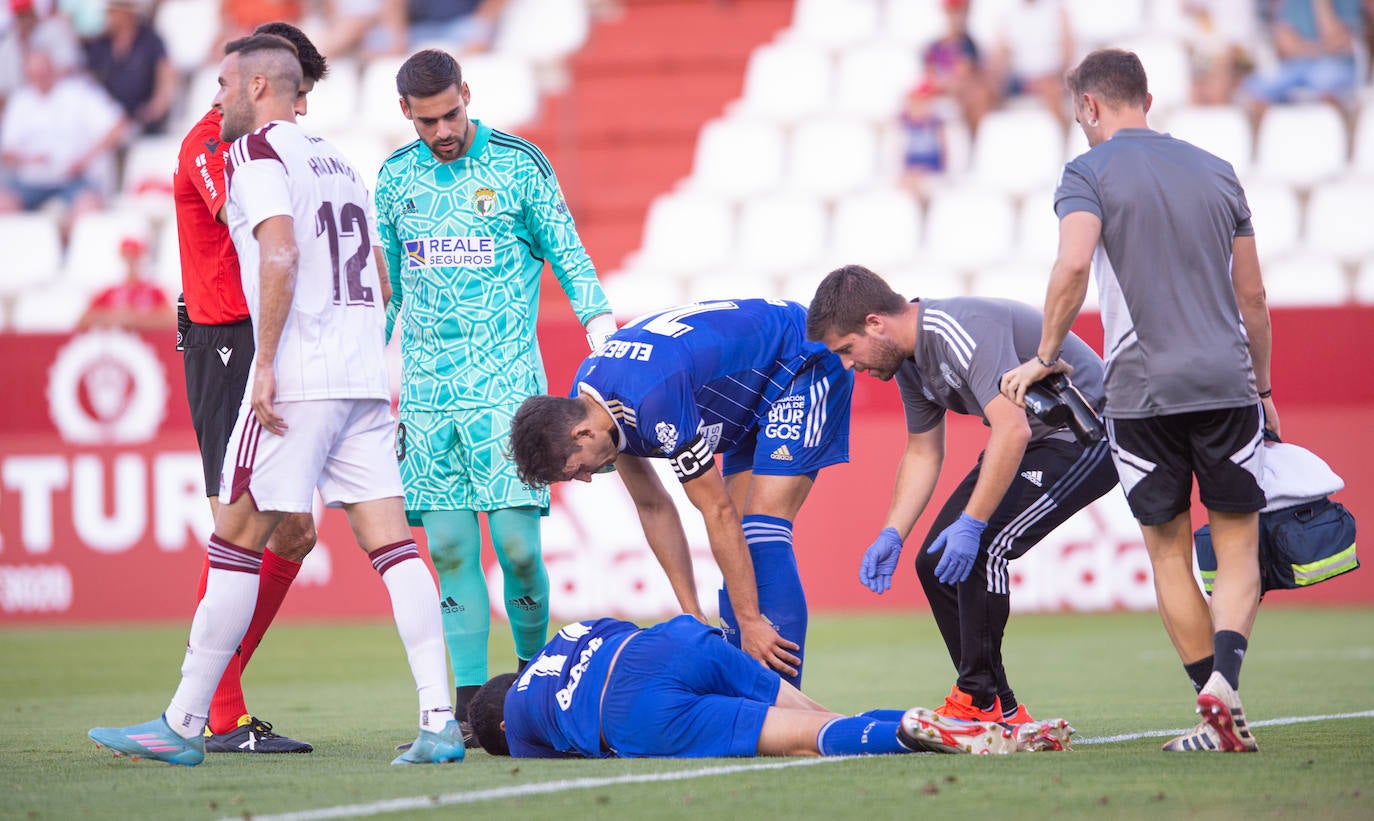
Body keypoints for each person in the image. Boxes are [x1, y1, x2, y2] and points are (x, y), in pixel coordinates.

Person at [89, 33, 461, 767]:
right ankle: (440, 720)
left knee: (233, 539)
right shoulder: (341, 160)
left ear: (262, 87)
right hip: (360, 376)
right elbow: (380, 278)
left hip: (296, 381)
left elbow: (282, 250)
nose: (217, 96)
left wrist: (265, 364)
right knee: (393, 547)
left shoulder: (256, 156)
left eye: (226, 83)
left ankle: (186, 721)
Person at [1000, 48, 1277, 753]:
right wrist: (1265, 390)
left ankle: (1211, 705)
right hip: (1226, 382)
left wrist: (1045, 354)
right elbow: (1253, 297)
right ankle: (1227, 686)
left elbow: (1071, 263)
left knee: (1168, 554)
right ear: (1146, 98)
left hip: (1141, 389)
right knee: (1239, 547)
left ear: (1090, 106)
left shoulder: (1087, 172)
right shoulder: (1218, 170)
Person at [376, 47, 616, 746]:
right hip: (426, 393)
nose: (443, 129)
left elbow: (567, 250)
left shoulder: (518, 164)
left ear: (467, 95)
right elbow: (388, 288)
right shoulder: (394, 180)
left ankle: (533, 684)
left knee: (514, 547)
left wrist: (604, 333)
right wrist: (364, 364)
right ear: (407, 115)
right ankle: (471, 707)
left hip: (506, 390)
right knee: (449, 547)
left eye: (452, 113)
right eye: (428, 120)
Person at [805, 265, 1118, 726]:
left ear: (875, 323)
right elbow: (923, 452)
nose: (851, 366)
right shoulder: (908, 362)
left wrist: (972, 524)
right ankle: (1000, 708)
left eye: (848, 351)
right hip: (1034, 442)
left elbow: (1009, 431)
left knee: (982, 546)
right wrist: (893, 532)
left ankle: (978, 700)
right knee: (933, 562)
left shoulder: (958, 328)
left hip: (1089, 438)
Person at [508, 299, 854, 690]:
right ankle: (750, 689)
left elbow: (716, 511)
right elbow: (653, 506)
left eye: (578, 469)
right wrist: (692, 614)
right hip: (746, 391)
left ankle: (784, 697)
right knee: (738, 541)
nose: (587, 478)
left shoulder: (650, 398)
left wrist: (750, 620)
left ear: (581, 434)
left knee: (759, 530)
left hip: (800, 361)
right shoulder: (588, 403)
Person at [171, 21, 330, 755]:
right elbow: (255, 228)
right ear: (256, 81)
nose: (300, 112)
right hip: (227, 345)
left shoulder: (269, 147)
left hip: (269, 342)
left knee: (293, 529)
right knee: (242, 526)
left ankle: (215, 695)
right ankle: (221, 712)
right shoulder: (210, 143)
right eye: (293, 95)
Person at [467, 615, 1075, 758]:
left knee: (810, 737)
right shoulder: (562, 636)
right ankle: (985, 726)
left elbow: (548, 750)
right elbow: (616, 625)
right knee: (820, 712)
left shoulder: (515, 718)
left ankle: (908, 730)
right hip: (670, 642)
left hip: (633, 712)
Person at [0, 47, 125, 223]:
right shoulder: (20, 101)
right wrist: (28, 159)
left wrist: (84, 160)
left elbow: (117, 126)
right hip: (29, 181)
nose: (40, 78)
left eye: (43, 72)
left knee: (89, 208)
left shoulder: (78, 93)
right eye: (35, 74)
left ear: (53, 68)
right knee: (3, 205)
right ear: (27, 74)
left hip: (74, 179)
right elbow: (6, 151)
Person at [1241, 0, 1363, 110]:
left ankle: (1335, 132)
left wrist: (1322, 3)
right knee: (1254, 89)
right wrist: (1323, 48)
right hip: (1297, 66)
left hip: (1337, 66)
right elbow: (1286, 45)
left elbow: (1339, 42)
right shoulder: (1293, 3)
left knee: (1327, 84)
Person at [83, 0, 175, 136]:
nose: (108, 17)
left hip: (143, 117)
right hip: (110, 116)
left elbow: (166, 73)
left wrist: (156, 106)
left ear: (127, 13)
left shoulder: (150, 40)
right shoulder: (101, 44)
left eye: (112, 12)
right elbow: (90, 80)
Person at [77, 235, 175, 331]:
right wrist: (112, 317)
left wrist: (136, 320)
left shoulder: (154, 291)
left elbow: (172, 320)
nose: (130, 260)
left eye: (134, 255)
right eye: (127, 255)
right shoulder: (109, 292)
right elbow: (82, 320)